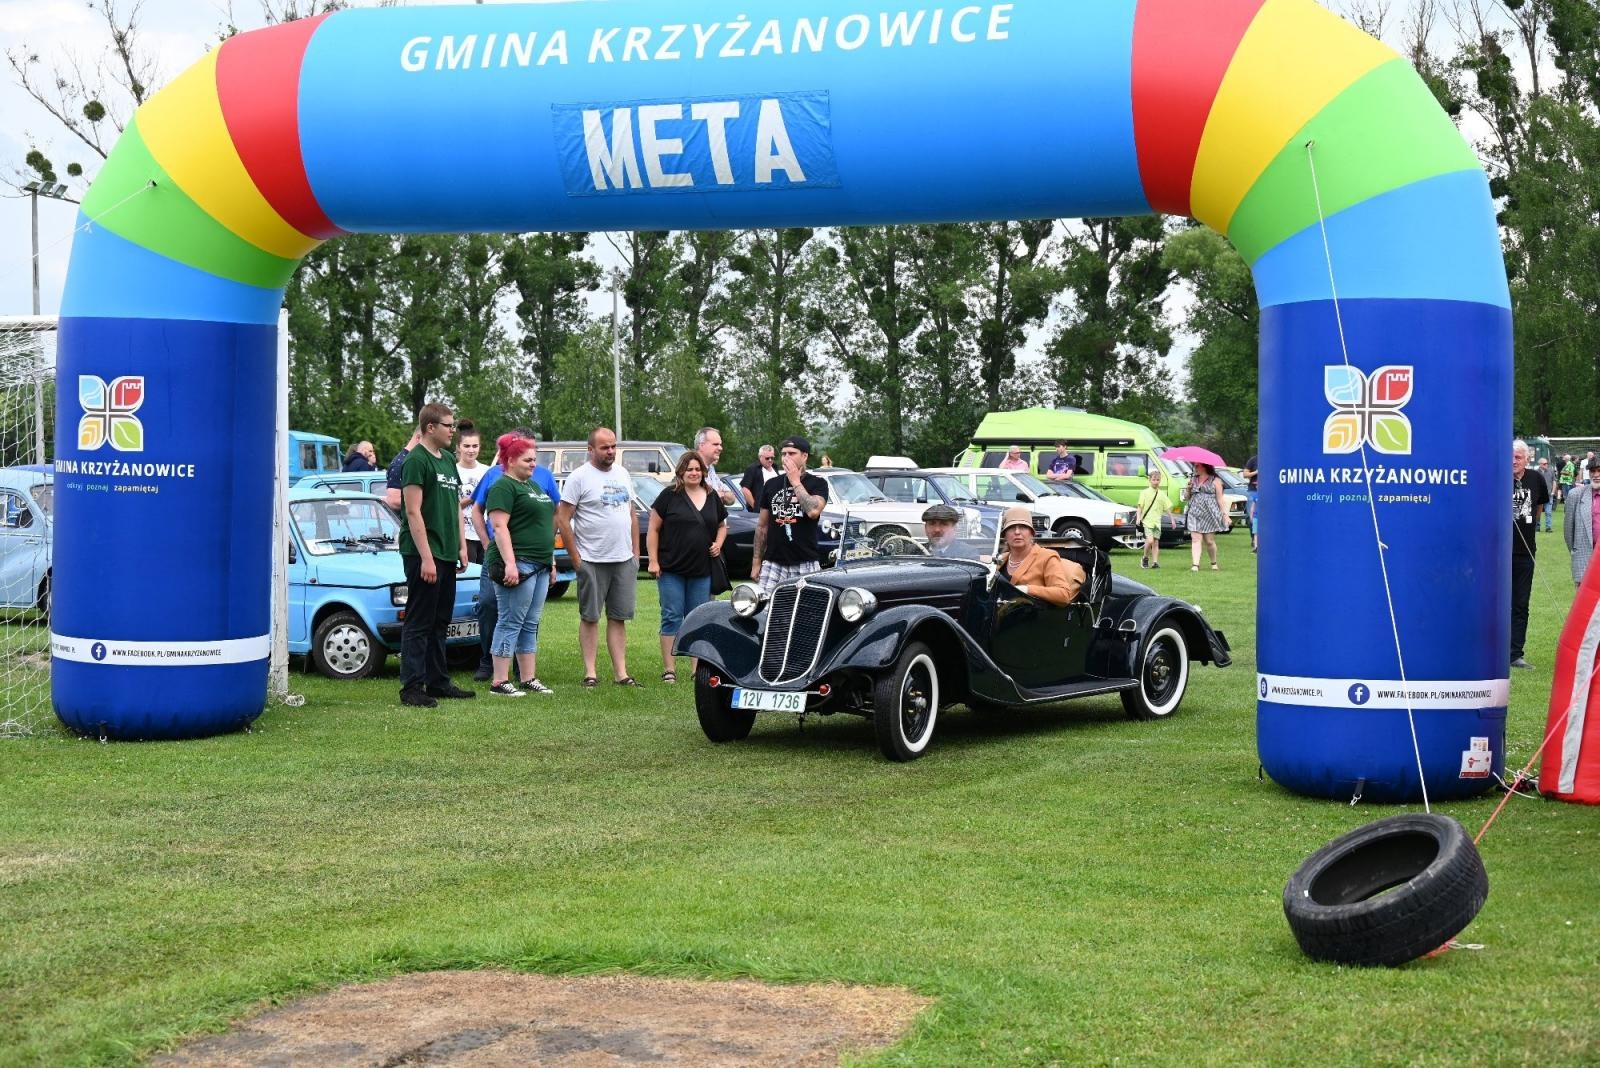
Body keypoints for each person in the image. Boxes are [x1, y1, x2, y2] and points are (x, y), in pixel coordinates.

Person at [396, 404, 473, 707]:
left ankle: (438, 681)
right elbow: (412, 512)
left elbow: (455, 504)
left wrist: (462, 546)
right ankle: (412, 687)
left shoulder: (449, 461)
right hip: (422, 553)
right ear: (431, 427)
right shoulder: (416, 461)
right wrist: (426, 557)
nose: (452, 430)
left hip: (445, 551)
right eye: (448, 425)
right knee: (419, 621)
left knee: (440, 620)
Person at [468, 428, 559, 682]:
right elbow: (499, 526)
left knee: (530, 622)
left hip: (539, 563)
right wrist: (509, 563)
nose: (533, 464)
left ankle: (528, 678)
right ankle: (500, 680)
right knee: (510, 621)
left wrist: (550, 561)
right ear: (510, 460)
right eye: (527, 460)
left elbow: (545, 525)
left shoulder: (532, 485)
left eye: (534, 459)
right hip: (519, 562)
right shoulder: (503, 486)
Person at [556, 427, 641, 688]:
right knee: (590, 616)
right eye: (605, 447)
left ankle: (621, 674)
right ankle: (590, 673)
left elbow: (632, 514)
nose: (611, 451)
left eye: (613, 446)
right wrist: (576, 559)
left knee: (618, 617)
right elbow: (563, 519)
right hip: (591, 559)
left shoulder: (623, 474)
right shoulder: (579, 477)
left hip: (623, 559)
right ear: (590, 449)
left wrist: (636, 554)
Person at [647, 451, 728, 682]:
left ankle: (697, 669)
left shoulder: (712, 496)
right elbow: (653, 529)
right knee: (672, 616)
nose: (693, 473)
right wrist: (653, 560)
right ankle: (669, 669)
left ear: (703, 472)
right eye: (689, 469)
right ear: (681, 471)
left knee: (698, 618)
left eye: (697, 469)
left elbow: (723, 526)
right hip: (671, 568)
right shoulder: (668, 496)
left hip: (702, 569)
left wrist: (718, 544)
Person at [752, 435, 829, 594]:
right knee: (764, 612)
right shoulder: (771, 484)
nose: (786, 458)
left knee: (805, 612)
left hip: (805, 561)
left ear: (805, 456)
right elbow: (762, 526)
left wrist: (795, 481)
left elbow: (813, 511)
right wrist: (756, 561)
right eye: (784, 454)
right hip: (773, 562)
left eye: (792, 453)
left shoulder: (818, 484)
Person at [1511, 439, 1550, 669]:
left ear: (1527, 458)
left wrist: (1528, 524)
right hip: (1497, 553)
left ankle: (1515, 653)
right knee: (1496, 603)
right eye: (1511, 456)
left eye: (1518, 457)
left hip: (1525, 552)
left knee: (1521, 603)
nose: (1514, 461)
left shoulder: (1536, 479)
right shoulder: (1497, 476)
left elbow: (1539, 507)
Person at [995, 506, 1084, 605]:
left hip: (1032, 616)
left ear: (1031, 533)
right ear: (1005, 535)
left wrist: (1028, 589)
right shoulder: (1001, 559)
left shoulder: (1047, 557)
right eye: (1011, 528)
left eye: (1023, 527)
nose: (1017, 532)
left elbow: (1063, 595)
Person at [1184, 462, 1229, 571]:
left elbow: (1220, 499)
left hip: (1210, 513)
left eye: (1197, 466)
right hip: (1194, 512)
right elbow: (1186, 498)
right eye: (1195, 466)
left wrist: (1225, 515)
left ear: (1205, 466)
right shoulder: (1193, 480)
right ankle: (1195, 565)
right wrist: (1188, 488)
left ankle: (1213, 562)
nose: (1195, 468)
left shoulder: (1216, 480)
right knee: (1195, 539)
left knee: (1209, 541)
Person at [1562, 460, 1600, 587]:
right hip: (1584, 561)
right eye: (1593, 471)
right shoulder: (1575, 495)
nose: (1596, 475)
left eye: (1599, 471)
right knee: (1586, 606)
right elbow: (1568, 532)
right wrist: (1576, 553)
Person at [455, 421, 487, 564]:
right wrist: (474, 496)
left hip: (485, 535)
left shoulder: (487, 471)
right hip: (463, 536)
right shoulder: (452, 470)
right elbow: (451, 506)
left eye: (475, 446)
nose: (471, 450)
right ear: (458, 447)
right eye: (466, 446)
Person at [693, 426, 738, 506]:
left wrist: (720, 495)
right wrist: (719, 494)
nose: (720, 448)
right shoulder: (692, 470)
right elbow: (700, 500)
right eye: (715, 444)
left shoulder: (710, 468)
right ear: (701, 445)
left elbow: (731, 499)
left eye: (720, 444)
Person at [1137, 469, 1171, 570]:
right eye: (1154, 479)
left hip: (1157, 522)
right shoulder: (1144, 492)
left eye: (1158, 480)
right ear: (1149, 480)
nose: (1156, 482)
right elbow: (1139, 507)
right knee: (1150, 541)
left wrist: (1172, 519)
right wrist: (1138, 518)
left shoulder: (1161, 494)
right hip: (1147, 521)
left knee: (1156, 542)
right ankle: (1145, 557)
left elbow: (1167, 507)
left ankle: (1155, 562)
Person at [384, 427, 423, 511]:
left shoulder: (415, 460)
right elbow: (393, 500)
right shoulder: (400, 464)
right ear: (418, 438)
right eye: (429, 443)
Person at [740, 444, 779, 509]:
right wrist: (756, 508)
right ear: (760, 457)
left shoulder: (775, 467)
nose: (770, 460)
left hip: (775, 508)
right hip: (760, 510)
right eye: (767, 458)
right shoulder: (752, 469)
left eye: (772, 458)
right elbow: (745, 489)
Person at [1241, 453, 1260, 552]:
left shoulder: (1272, 458)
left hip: (1268, 490)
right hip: (1253, 490)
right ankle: (1254, 538)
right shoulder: (1253, 460)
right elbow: (1245, 474)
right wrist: (1256, 472)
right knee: (1251, 515)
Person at [1538, 456, 1558, 533]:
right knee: (1538, 512)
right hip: (1539, 495)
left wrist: (1553, 491)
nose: (1546, 465)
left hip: (1549, 495)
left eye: (1547, 463)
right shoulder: (1536, 472)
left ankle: (1548, 527)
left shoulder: (1551, 471)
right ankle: (1537, 527)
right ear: (1540, 464)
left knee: (1548, 512)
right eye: (1544, 464)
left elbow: (1554, 482)